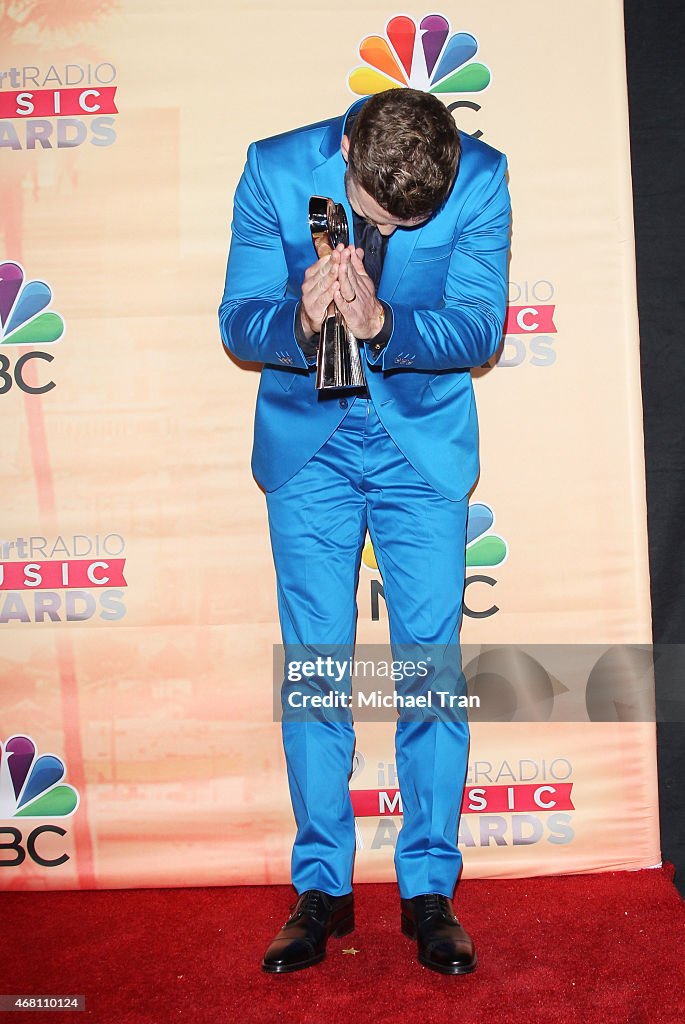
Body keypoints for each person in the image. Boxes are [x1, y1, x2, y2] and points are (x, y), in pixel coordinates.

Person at [219, 88, 511, 975]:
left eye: (408, 222)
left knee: (429, 669)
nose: (391, 231)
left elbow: (478, 327)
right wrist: (302, 320)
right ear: (346, 148)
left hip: (417, 447)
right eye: (379, 216)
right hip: (310, 447)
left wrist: (381, 323)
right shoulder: (272, 167)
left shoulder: (480, 179)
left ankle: (428, 890)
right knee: (315, 672)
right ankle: (321, 889)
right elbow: (237, 320)